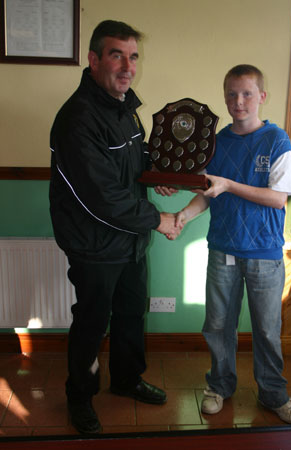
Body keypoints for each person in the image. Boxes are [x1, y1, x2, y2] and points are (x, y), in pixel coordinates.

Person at [49, 20, 179, 435]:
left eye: (133, 56)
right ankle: (80, 396)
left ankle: (126, 379)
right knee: (91, 321)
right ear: (93, 59)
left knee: (129, 312)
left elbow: (131, 163)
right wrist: (157, 219)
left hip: (129, 241)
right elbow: (100, 194)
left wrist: (154, 172)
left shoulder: (125, 109)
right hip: (94, 245)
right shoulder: (77, 118)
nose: (128, 66)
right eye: (117, 55)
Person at [171, 64, 291, 425]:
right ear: (224, 97)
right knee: (217, 325)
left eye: (247, 93)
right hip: (222, 250)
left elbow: (278, 198)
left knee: (265, 330)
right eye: (231, 93)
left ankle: (274, 395)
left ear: (262, 97)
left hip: (264, 253)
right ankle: (219, 385)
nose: (238, 101)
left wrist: (229, 184)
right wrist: (184, 213)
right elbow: (208, 193)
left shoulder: (277, 140)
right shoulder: (215, 142)